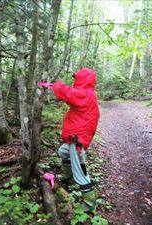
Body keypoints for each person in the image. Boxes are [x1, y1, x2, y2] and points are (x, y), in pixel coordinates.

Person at [52, 68, 100, 212]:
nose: (75, 81)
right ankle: (69, 178)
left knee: (80, 171)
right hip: (74, 138)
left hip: (77, 140)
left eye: (77, 78)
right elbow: (71, 98)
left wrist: (57, 85)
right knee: (63, 152)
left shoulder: (86, 95)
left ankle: (90, 203)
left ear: (84, 80)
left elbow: (69, 93)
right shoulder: (85, 95)